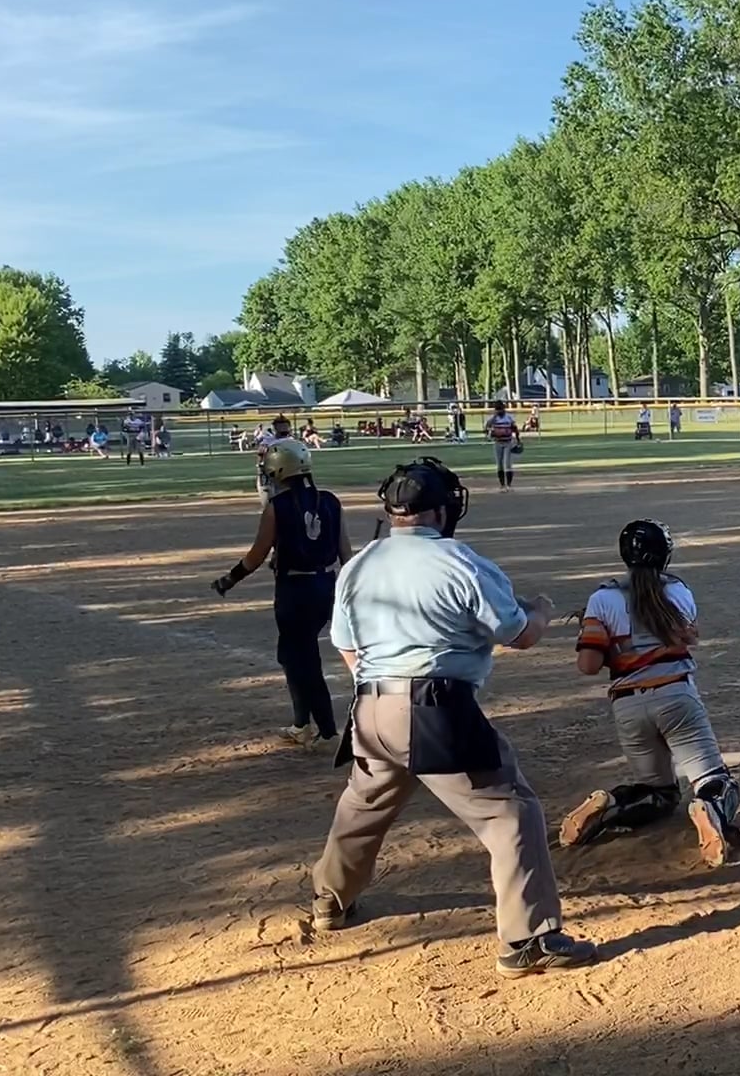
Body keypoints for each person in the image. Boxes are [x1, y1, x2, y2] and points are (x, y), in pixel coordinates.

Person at [309, 457, 596, 974]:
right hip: (432, 708)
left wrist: (384, 692)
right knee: (510, 812)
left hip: (368, 706)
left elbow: (346, 645)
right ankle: (527, 939)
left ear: (391, 511)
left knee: (364, 804)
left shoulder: (360, 565)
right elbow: (519, 635)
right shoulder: (460, 561)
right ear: (442, 511)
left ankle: (330, 898)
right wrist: (540, 608)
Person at [560, 520, 740, 867]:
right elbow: (689, 636)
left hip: (628, 706)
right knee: (715, 781)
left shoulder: (602, 599)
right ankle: (709, 808)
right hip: (676, 697)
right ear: (665, 555)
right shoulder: (678, 592)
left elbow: (588, 665)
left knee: (658, 793)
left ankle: (612, 805)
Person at [210, 440, 353, 746]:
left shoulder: (277, 506)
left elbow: (256, 555)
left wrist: (229, 579)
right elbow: (345, 553)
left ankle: (325, 729)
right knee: (294, 655)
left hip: (294, 590)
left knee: (301, 659)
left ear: (278, 470)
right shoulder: (330, 501)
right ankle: (303, 723)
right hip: (326, 585)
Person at [253, 415, 294, 507]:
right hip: (270, 475)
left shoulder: (292, 441)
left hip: (287, 475)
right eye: (280, 426)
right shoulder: (268, 441)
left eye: (285, 426)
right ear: (275, 428)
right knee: (269, 503)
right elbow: (260, 456)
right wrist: (260, 469)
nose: (283, 428)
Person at [486, 400, 520, 492]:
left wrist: (518, 440)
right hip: (498, 442)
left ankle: (509, 485)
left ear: (503, 408)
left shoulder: (508, 417)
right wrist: (493, 418)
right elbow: (487, 426)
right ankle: (502, 485)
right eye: (497, 409)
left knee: (508, 464)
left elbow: (515, 428)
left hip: (508, 442)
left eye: (500, 409)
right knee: (499, 464)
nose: (499, 411)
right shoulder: (493, 418)